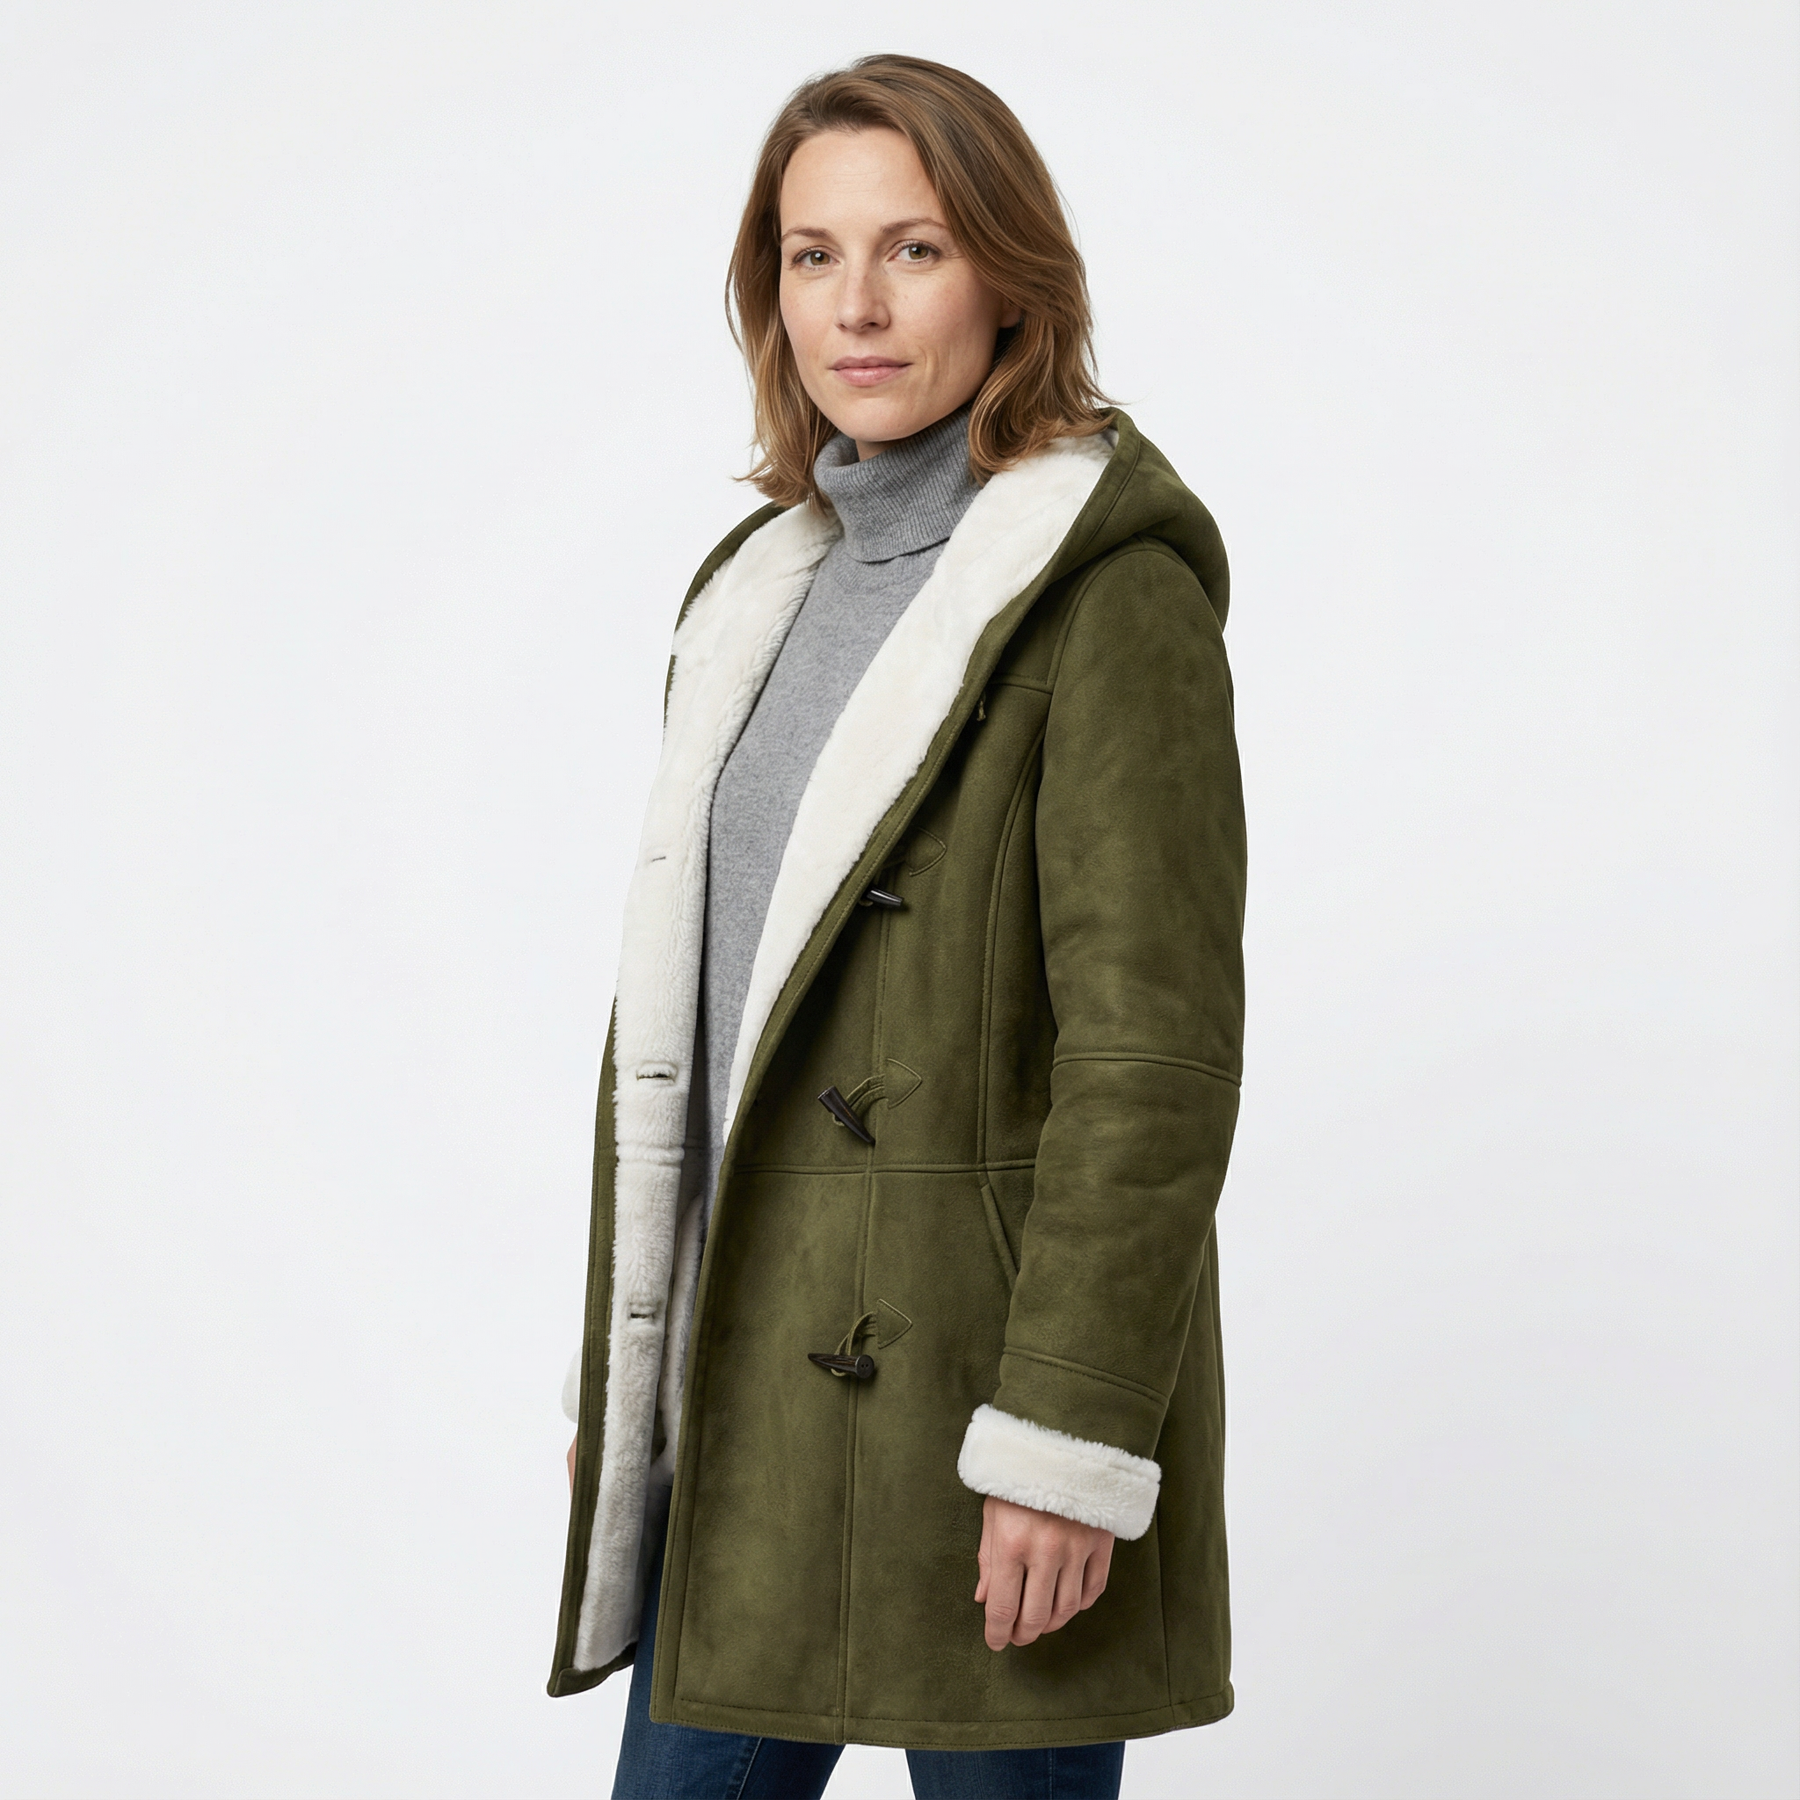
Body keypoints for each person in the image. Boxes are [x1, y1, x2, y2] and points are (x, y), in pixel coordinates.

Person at [549, 54, 1246, 1800]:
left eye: (913, 248)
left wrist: (1069, 1433)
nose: (854, 307)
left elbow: (1152, 1060)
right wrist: (634, 1380)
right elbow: (702, 1025)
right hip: (751, 1419)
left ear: (1011, 276)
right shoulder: (750, 599)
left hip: (983, 1411)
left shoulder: (1109, 597)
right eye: (812, 255)